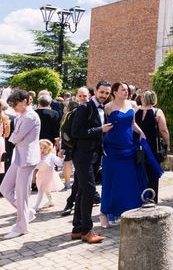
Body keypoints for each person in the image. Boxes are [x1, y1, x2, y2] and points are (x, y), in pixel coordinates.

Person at [99, 81, 148, 228]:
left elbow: (132, 124)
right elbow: (102, 127)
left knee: (129, 181)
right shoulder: (107, 107)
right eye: (122, 90)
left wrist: (141, 133)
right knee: (110, 181)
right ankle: (104, 214)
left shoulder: (133, 105)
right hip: (112, 149)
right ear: (114, 92)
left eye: (126, 90)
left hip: (129, 148)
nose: (125, 92)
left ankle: (128, 212)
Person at [70, 80, 113, 243]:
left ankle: (77, 229)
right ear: (95, 91)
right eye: (102, 92)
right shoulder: (85, 107)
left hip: (95, 155)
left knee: (82, 191)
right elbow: (76, 132)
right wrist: (100, 130)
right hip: (82, 156)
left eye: (107, 93)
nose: (104, 96)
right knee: (89, 191)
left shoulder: (103, 109)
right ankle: (87, 231)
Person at [0, 89, 41, 239]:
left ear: (25, 101)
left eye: (15, 103)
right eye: (11, 103)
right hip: (19, 157)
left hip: (27, 159)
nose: (13, 106)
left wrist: (10, 137)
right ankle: (27, 213)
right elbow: (15, 135)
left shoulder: (30, 116)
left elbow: (15, 137)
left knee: (22, 194)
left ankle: (22, 226)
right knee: (4, 188)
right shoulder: (21, 115)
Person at [135, 90, 170, 203]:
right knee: (152, 175)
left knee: (140, 172)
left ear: (143, 98)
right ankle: (151, 200)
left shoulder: (135, 111)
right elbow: (163, 130)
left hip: (138, 147)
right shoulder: (157, 112)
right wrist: (167, 145)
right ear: (154, 99)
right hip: (152, 148)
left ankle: (139, 200)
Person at [60, 87, 91, 216]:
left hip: (86, 151)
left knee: (82, 179)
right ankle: (71, 202)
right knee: (79, 179)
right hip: (77, 150)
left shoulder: (90, 110)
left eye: (85, 96)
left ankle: (73, 202)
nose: (83, 98)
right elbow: (67, 132)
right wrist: (65, 147)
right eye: (81, 96)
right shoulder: (75, 112)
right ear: (77, 97)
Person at [32, 139, 64, 212]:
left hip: (49, 175)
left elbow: (59, 163)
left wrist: (61, 157)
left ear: (49, 148)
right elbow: (35, 166)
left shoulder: (51, 156)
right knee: (46, 189)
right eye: (40, 148)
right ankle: (50, 201)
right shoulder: (38, 156)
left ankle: (36, 206)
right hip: (40, 175)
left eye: (45, 148)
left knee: (41, 189)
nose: (42, 150)